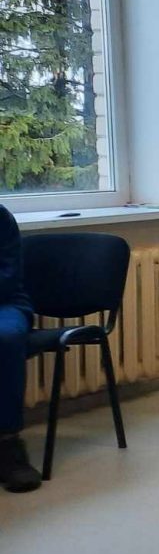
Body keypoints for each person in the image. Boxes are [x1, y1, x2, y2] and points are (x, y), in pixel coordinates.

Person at [0, 204, 42, 492]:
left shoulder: (1, 218)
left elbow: (7, 277)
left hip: (5, 303)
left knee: (5, 338)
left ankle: (8, 445)